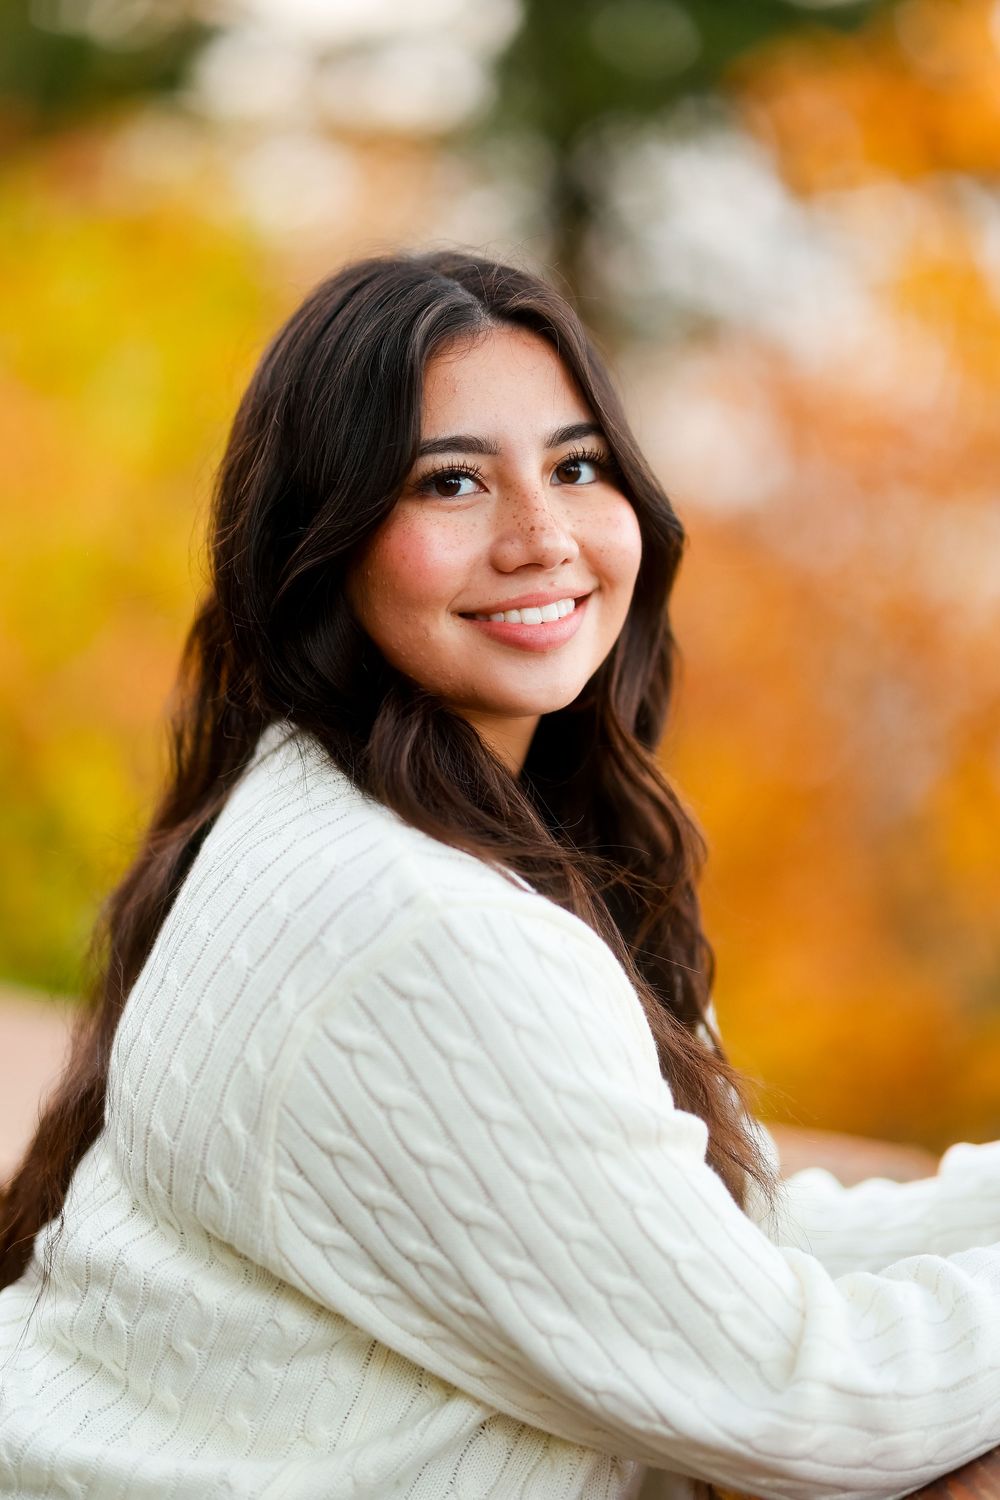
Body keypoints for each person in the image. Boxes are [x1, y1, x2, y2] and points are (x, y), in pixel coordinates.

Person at [1, 251, 999, 1500]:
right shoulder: (417, 927)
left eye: (577, 466)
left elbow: (714, 1250)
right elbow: (796, 1399)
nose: (542, 537)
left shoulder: (358, 808)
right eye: (451, 482)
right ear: (324, 540)